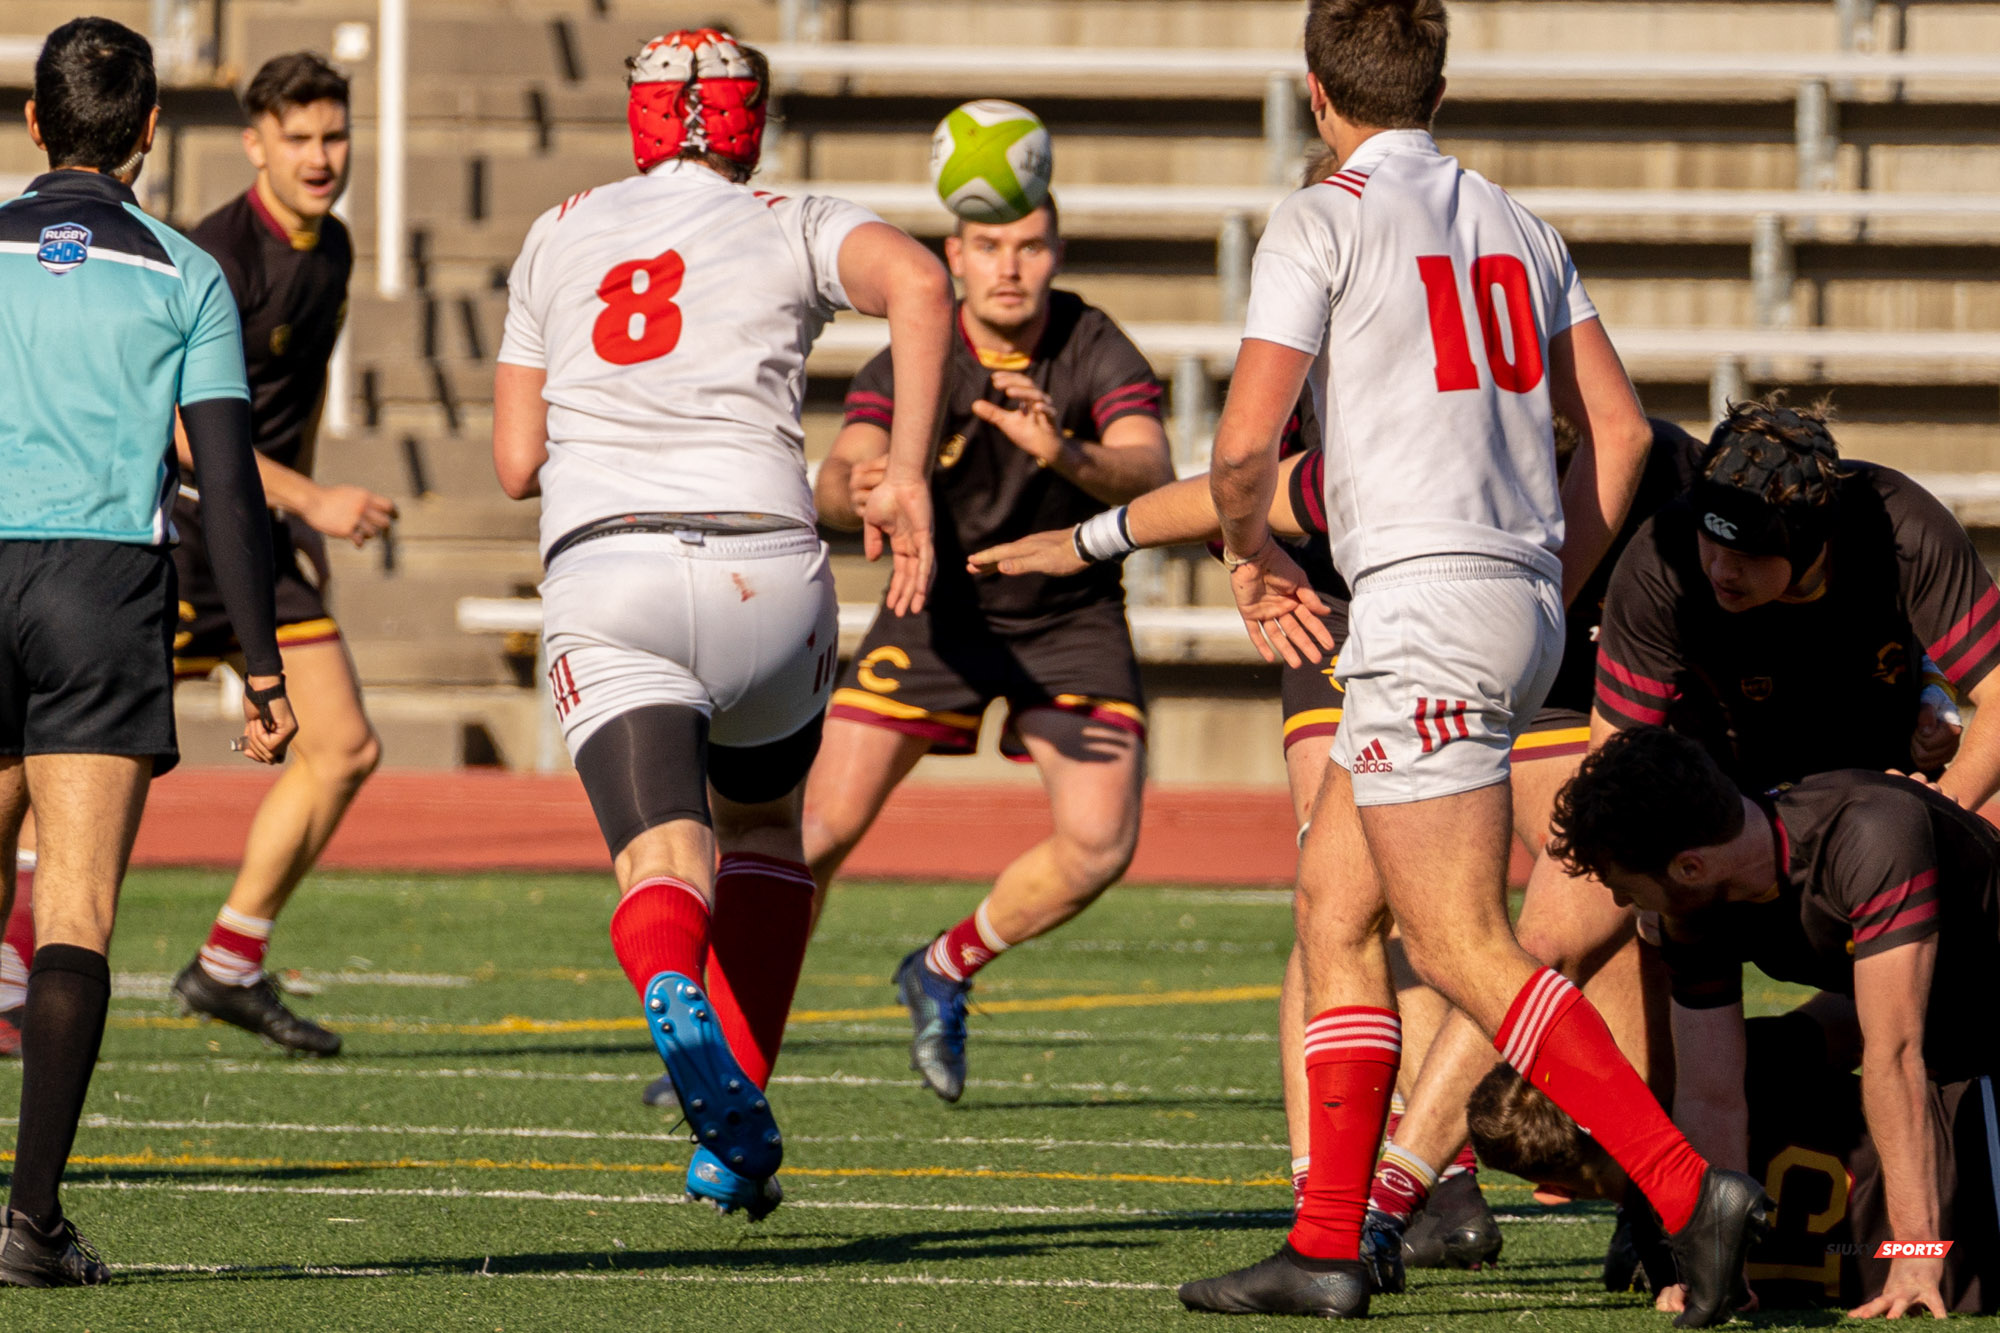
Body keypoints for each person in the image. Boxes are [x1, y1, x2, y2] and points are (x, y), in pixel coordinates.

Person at [1169, 0, 1773, 1321]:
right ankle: (1329, 1246)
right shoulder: (1520, 221)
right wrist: (1544, 591)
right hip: (1506, 599)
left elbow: (1239, 453)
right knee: (1337, 911)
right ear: (1434, 85)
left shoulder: (1323, 215)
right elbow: (1615, 436)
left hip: (1424, 602)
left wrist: (1252, 565)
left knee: (1454, 944)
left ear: (1319, 92)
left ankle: (1685, 1186)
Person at [971, 413, 1702, 1269]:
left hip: (1480, 614)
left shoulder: (1622, 467)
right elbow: (1252, 479)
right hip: (1402, 606)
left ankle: (1619, 1185)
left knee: (1525, 904)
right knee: (1362, 897)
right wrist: (1158, 542)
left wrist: (1110, 538)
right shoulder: (1437, 433)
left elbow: (1615, 433)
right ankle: (1390, 1197)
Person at [1356, 399, 2000, 1263]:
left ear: (1815, 541)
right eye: (1711, 540)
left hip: (1868, 802)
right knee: (1547, 933)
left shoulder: (1899, 524)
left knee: (1909, 998)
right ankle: (1396, 1200)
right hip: (1721, 797)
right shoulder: (1663, 559)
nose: (1721, 568)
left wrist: (1936, 819)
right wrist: (1633, 869)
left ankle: (1791, 1072)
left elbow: (1997, 696)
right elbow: (1614, 773)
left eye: (1749, 551)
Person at [491, 29, 950, 1217]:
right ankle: (731, 1123)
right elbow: (919, 281)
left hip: (613, 566)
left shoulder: (557, 231)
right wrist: (902, 470)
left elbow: (511, 461)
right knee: (763, 829)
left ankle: (665, 986)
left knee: (660, 856)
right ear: (754, 124)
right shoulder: (793, 218)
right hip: (768, 569)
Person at [0, 17, 295, 1285]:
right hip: (100, 587)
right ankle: (31, 1227)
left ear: (32, 125)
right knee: (73, 911)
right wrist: (265, 668)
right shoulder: (185, 273)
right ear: (153, 132)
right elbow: (227, 491)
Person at [800, 197, 1174, 1104]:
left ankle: (943, 965)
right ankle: (732, 1037)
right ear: (954, 257)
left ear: (1056, 254)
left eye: (1031, 247)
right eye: (990, 247)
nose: (1011, 267)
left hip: (1067, 615)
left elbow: (1152, 470)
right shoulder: (918, 352)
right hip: (933, 604)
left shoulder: (1092, 342)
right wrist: (861, 484)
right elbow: (839, 473)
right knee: (812, 834)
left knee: (1100, 839)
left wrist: (1066, 454)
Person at [1547, 725, 2000, 1318]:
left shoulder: (1870, 832)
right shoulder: (1701, 898)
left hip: (1977, 1053)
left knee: (1961, 1282)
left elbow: (1895, 1054)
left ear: (1688, 867)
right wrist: (1717, 1265)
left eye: (1622, 887)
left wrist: (1915, 1251)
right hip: (1931, 1038)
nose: (1620, 904)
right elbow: (1711, 1094)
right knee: (1753, 1062)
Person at [160, 52, 387, 1053]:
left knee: (342, 748)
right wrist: (316, 501)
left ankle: (228, 961)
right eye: (297, 138)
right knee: (53, 762)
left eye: (333, 135)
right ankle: (11, 969)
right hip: (176, 537)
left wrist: (299, 513)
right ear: (254, 144)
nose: (320, 155)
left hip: (261, 537)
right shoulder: (216, 257)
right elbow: (178, 422)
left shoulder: (330, 249)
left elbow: (291, 414)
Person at [1468, 994, 2000, 1315]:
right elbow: (1853, 1021)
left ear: (1554, 1191)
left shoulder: (1668, 1263)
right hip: (1976, 1135)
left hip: (1964, 1271)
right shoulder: (1710, 1080)